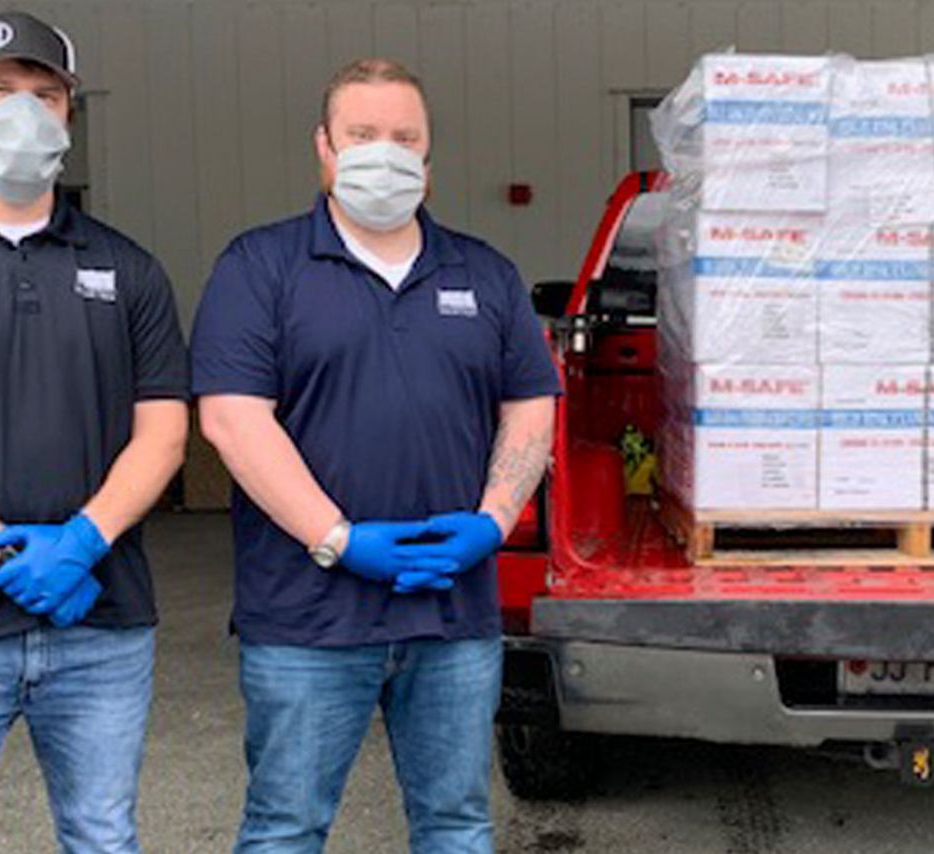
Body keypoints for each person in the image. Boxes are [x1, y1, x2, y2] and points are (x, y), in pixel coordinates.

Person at [190, 57, 560, 853]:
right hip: (306, 620)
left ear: (428, 156)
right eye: (363, 135)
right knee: (286, 828)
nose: (383, 153)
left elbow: (531, 405)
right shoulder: (260, 268)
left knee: (457, 825)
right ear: (323, 147)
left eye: (404, 137)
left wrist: (493, 523)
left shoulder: (484, 274)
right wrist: (337, 537)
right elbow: (231, 418)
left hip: (453, 617)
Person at [0, 10, 190, 854]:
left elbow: (164, 435)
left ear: (70, 113)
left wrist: (81, 542)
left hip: (100, 626)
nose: (25, 111)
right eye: (2, 91)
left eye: (46, 93)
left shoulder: (130, 268)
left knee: (104, 838)